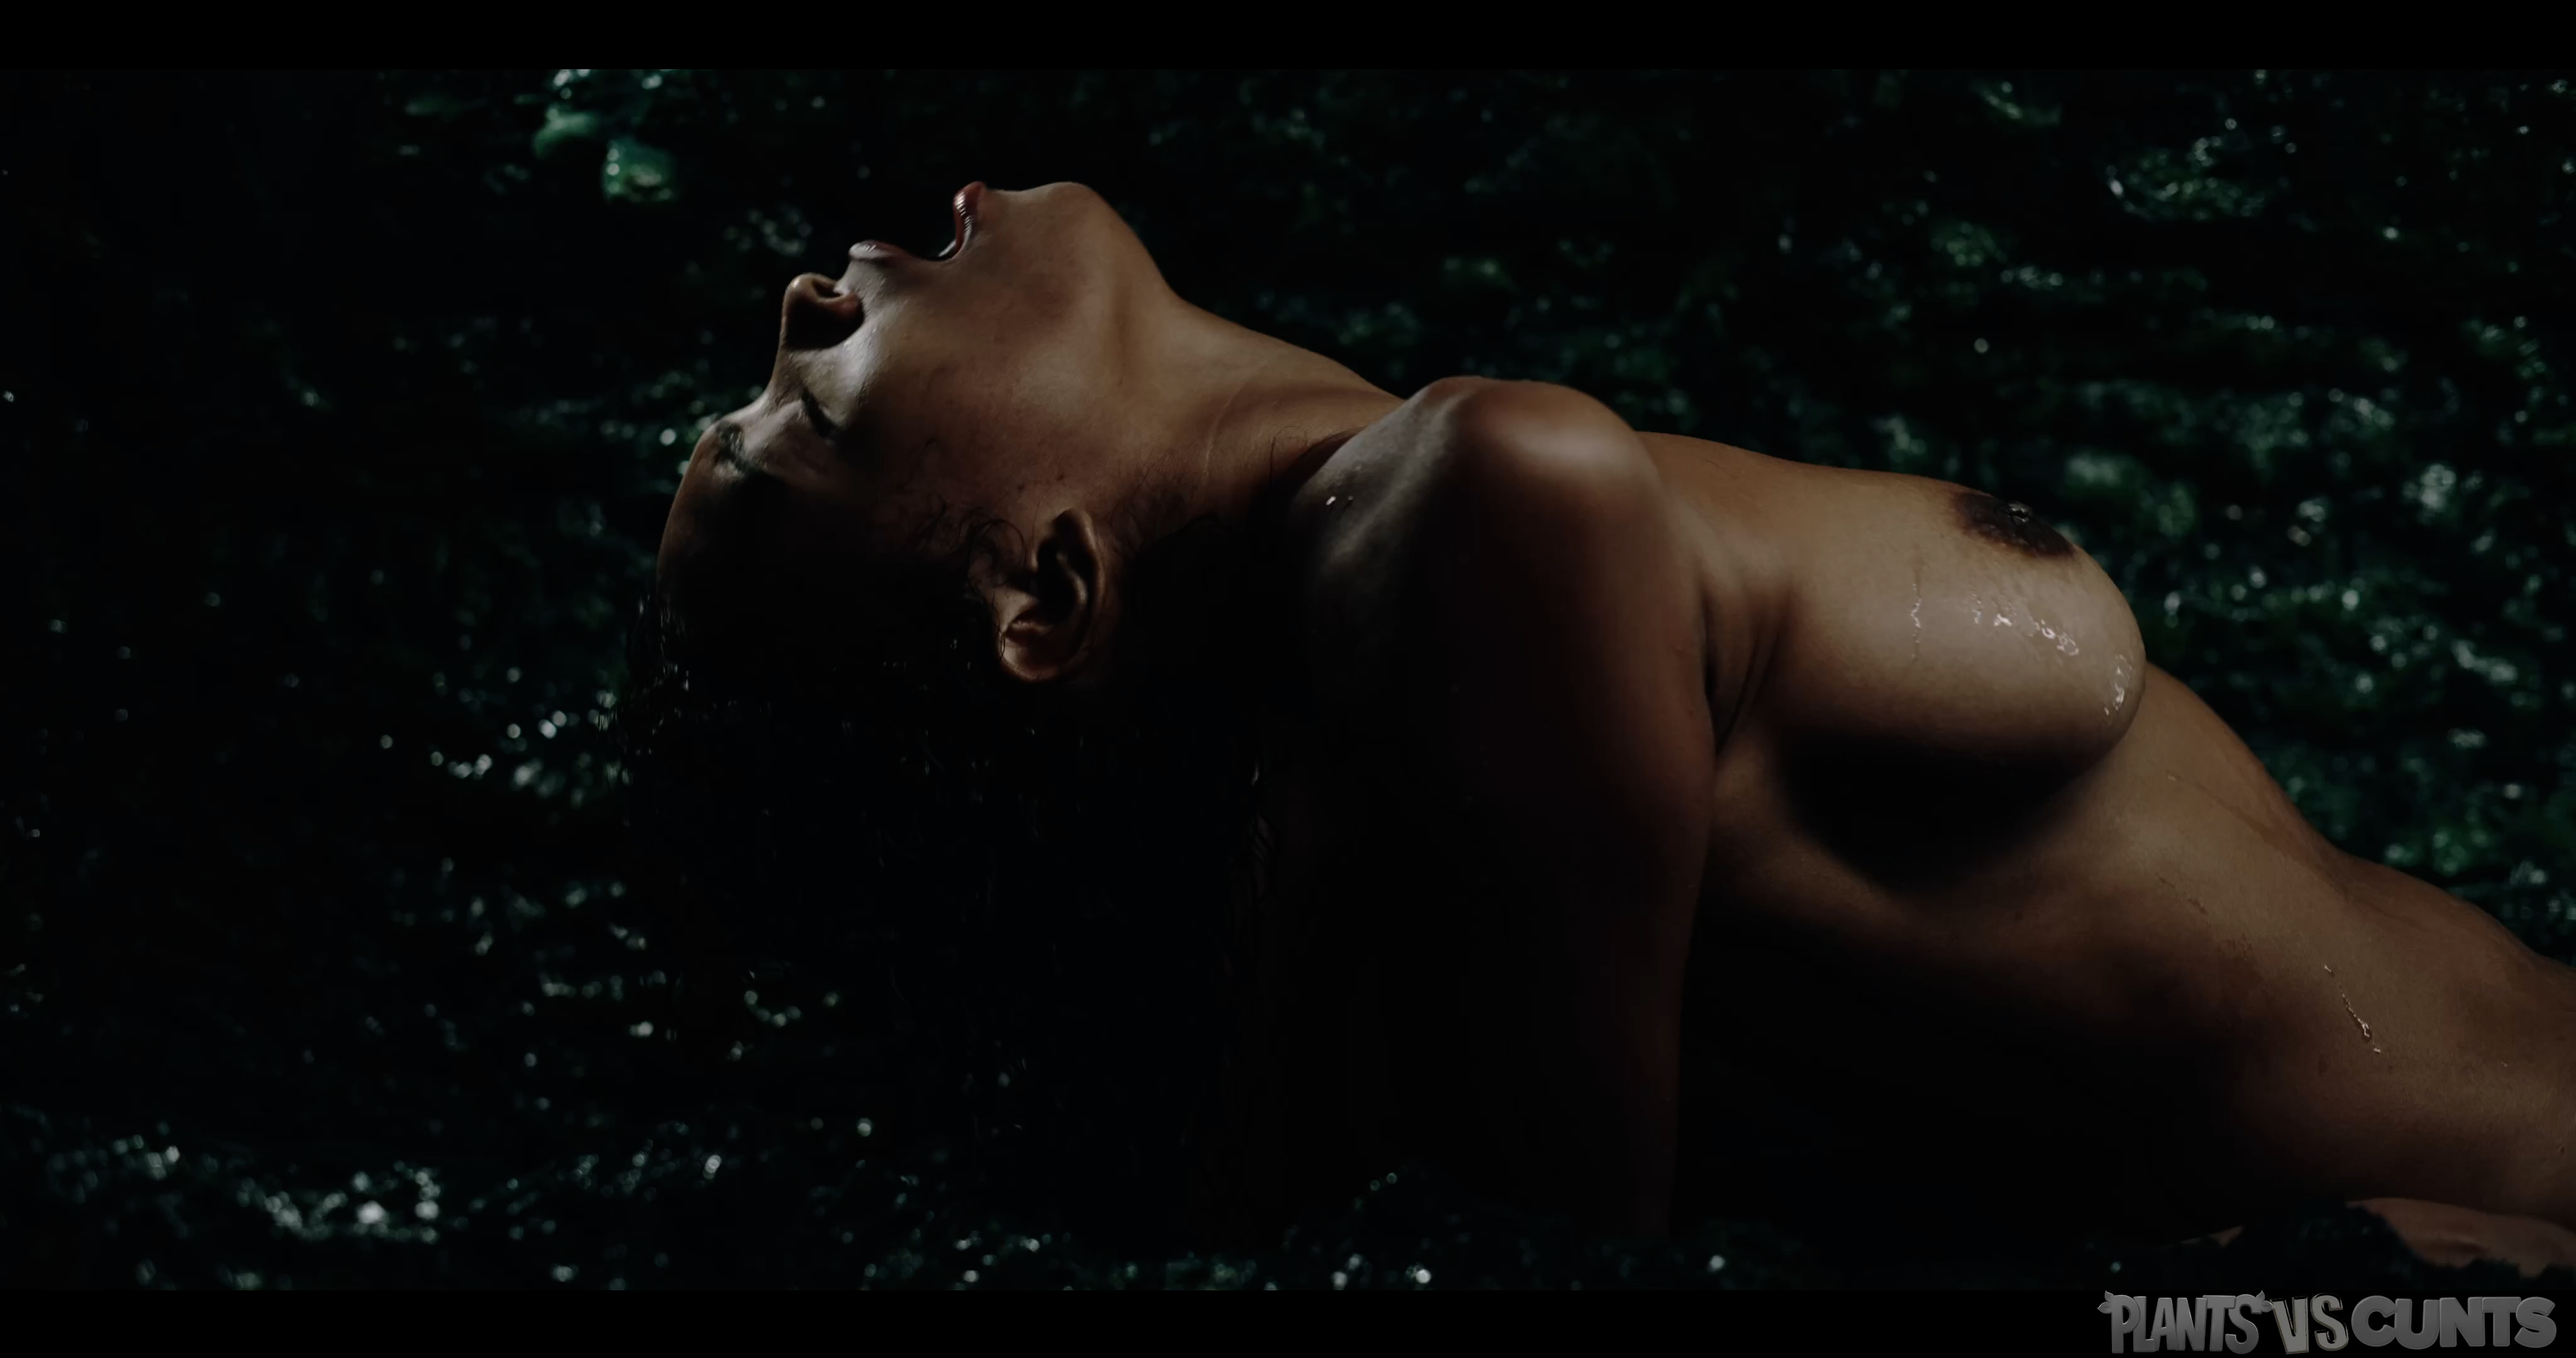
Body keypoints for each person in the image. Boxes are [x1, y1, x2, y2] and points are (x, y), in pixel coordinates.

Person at [645, 180, 2576, 1271]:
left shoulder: (1375, 687)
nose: (805, 296)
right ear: (1045, 597)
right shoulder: (1473, 516)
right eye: (801, 416)